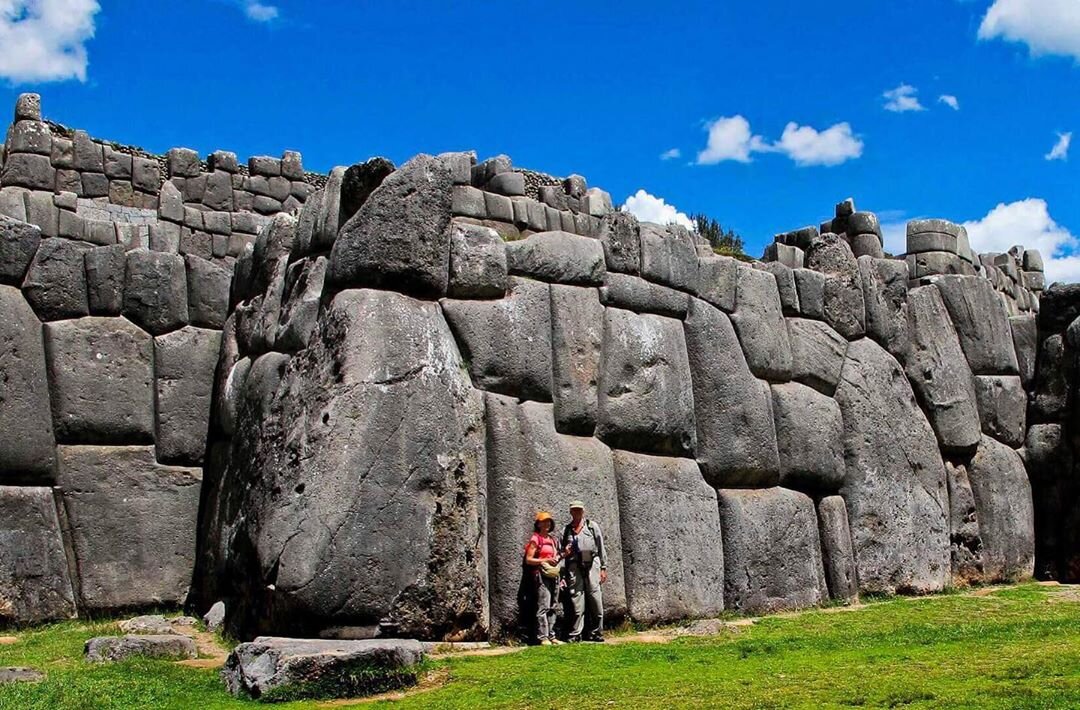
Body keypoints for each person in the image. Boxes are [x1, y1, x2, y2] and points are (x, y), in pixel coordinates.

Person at [561, 501, 607, 642]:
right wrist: (562, 574)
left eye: (579, 510)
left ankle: (597, 632)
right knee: (577, 601)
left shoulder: (592, 527)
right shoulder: (566, 530)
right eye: (574, 510)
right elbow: (562, 553)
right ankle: (576, 634)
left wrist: (603, 567)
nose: (577, 512)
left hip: (592, 563)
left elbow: (600, 547)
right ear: (570, 512)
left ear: (583, 511)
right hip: (574, 566)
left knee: (595, 598)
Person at [523, 511, 564, 646]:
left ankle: (552, 636)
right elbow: (529, 559)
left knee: (553, 606)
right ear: (538, 524)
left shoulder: (553, 540)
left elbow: (557, 556)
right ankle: (543, 637)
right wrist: (545, 559)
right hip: (541, 575)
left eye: (548, 522)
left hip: (553, 574)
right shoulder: (536, 539)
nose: (546, 524)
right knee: (543, 606)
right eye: (543, 522)